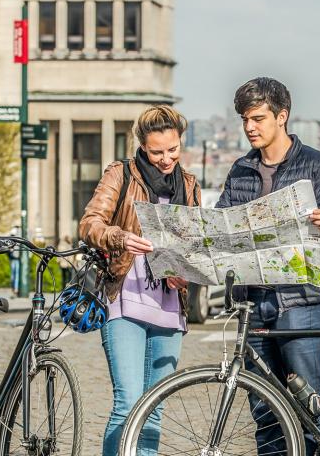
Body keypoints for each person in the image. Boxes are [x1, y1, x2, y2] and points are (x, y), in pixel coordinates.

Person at [216, 77, 320, 455]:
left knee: (310, 410)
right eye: (245, 119)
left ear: (282, 116)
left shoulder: (317, 166)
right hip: (254, 304)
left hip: (301, 304)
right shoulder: (240, 170)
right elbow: (222, 228)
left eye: (258, 118)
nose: (250, 127)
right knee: (265, 415)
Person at [79, 105, 200, 456]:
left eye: (173, 150)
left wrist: (185, 273)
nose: (166, 159)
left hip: (168, 307)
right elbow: (89, 224)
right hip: (124, 299)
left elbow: (191, 245)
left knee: (155, 410)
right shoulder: (121, 174)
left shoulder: (190, 185)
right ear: (143, 147)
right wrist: (119, 236)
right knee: (128, 402)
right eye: (157, 151)